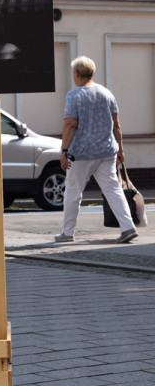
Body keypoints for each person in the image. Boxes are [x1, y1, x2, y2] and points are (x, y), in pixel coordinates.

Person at [55, 55, 138, 244]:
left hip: (81, 152)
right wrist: (121, 150)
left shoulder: (74, 95)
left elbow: (70, 124)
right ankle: (128, 227)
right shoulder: (107, 93)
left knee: (73, 192)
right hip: (106, 150)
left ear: (76, 73)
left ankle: (67, 233)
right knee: (113, 189)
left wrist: (64, 150)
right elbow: (117, 125)